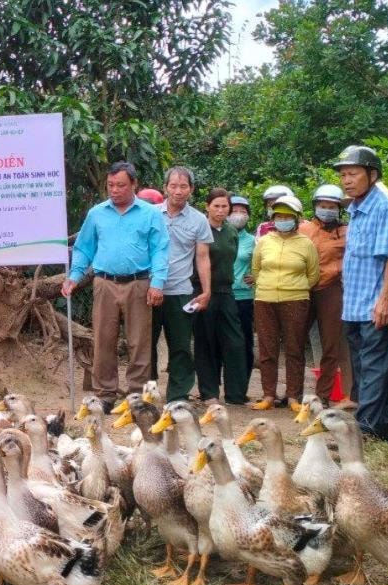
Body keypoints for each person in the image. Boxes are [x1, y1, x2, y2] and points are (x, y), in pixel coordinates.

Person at [61, 161, 169, 408]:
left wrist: (158, 283)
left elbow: (160, 250)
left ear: (134, 184)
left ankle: (136, 396)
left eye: (120, 185)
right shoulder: (97, 213)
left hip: (139, 283)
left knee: (139, 342)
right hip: (105, 284)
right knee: (103, 339)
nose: (114, 190)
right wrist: (74, 277)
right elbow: (83, 248)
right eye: (110, 185)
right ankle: (105, 395)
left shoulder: (150, 214)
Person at [334, 144, 388, 441]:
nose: (346, 180)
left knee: (374, 366)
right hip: (355, 303)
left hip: (376, 302)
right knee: (370, 367)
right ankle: (385, 428)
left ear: (372, 174)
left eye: (353, 174)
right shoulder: (357, 208)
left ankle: (366, 430)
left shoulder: (384, 205)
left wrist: (386, 299)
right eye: (343, 175)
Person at [250, 195, 318, 410]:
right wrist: (266, 286)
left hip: (296, 300)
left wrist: (294, 287)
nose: (283, 219)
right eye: (279, 216)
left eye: (288, 216)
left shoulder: (306, 243)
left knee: (294, 348)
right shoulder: (265, 241)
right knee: (267, 348)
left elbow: (313, 274)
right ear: (273, 218)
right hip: (265, 299)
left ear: (297, 219)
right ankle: (268, 395)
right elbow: (256, 270)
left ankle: (293, 396)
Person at [151, 166, 213, 401]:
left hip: (181, 292)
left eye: (183, 186)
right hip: (150, 289)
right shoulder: (150, 214)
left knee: (180, 347)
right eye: (173, 186)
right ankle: (147, 392)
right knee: (145, 345)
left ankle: (177, 396)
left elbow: (203, 257)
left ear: (191, 189)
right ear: (165, 187)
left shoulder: (199, 220)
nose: (178, 191)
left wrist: (206, 291)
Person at [299, 183, 354, 402]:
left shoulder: (347, 231)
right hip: (303, 288)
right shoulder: (303, 229)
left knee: (331, 342)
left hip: (331, 289)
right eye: (323, 205)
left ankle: (323, 395)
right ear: (315, 206)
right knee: (295, 340)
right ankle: (292, 393)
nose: (328, 209)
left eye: (332, 206)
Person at [193, 188, 249, 404]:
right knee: (205, 341)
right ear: (207, 207)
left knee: (235, 342)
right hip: (202, 291)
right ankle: (209, 393)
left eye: (224, 206)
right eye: (216, 206)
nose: (220, 210)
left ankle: (236, 394)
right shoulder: (200, 228)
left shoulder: (230, 231)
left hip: (227, 291)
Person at [228, 195, 257, 378]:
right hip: (220, 295)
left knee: (245, 341)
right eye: (235, 211)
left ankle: (242, 383)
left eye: (243, 211)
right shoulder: (216, 234)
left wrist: (256, 276)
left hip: (244, 297)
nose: (239, 215)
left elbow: (261, 264)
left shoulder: (253, 240)